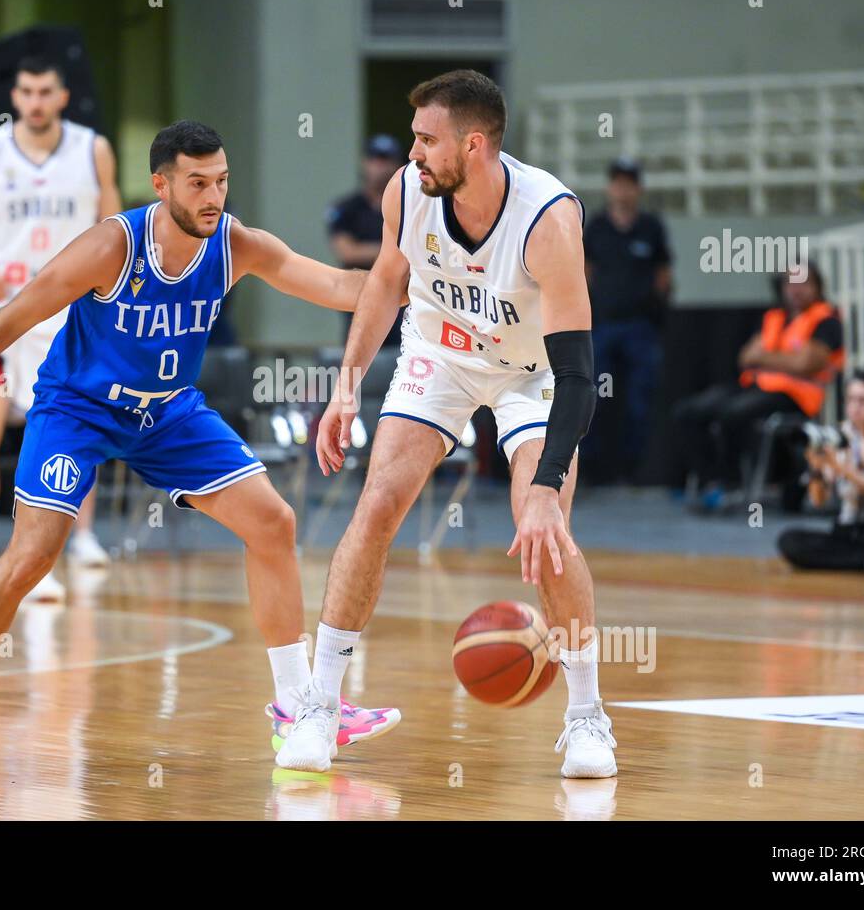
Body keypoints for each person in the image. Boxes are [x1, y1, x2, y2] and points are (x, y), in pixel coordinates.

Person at [0, 120, 400, 769]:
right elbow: (16, 315)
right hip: (79, 408)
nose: (214, 197)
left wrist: (420, 278)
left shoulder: (234, 244)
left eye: (223, 182)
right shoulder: (111, 247)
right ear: (161, 184)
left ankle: (296, 704)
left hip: (168, 412)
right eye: (199, 183)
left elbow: (342, 285)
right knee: (31, 556)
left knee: (272, 520)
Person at [280, 69, 617, 778]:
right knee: (376, 505)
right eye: (412, 138)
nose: (412, 153)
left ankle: (587, 718)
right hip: (441, 353)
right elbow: (383, 283)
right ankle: (320, 705)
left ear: (473, 145)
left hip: (536, 373)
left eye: (426, 140)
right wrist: (346, 387)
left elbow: (580, 377)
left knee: (547, 532)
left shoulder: (548, 218)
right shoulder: (407, 191)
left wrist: (547, 488)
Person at [0, 56, 118, 600]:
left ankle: (68, 544)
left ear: (62, 96)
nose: (35, 101)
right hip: (1, 311)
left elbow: (112, 227)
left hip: (65, 310)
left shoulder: (92, 149)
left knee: (72, 429)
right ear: (15, 97)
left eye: (45, 92)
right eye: (26, 92)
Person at [673, 261, 845, 510]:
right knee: (688, 412)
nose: (796, 290)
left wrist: (766, 357)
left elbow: (806, 364)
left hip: (795, 396)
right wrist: (786, 360)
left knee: (733, 414)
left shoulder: (826, 320)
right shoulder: (773, 317)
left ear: (817, 287)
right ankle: (712, 482)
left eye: (804, 283)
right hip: (754, 386)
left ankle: (732, 483)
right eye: (790, 283)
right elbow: (745, 357)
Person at [581, 158, 672, 481]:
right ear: (610, 187)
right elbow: (585, 270)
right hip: (603, 325)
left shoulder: (651, 227)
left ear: (638, 188)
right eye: (617, 182)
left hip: (640, 327)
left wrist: (654, 305)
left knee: (640, 398)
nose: (623, 190)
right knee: (592, 395)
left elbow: (664, 274)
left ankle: (637, 469)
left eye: (629, 183)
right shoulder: (597, 228)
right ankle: (590, 469)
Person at [778, 368, 864, 574]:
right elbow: (818, 501)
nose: (855, 407)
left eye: (863, 401)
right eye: (851, 400)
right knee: (790, 541)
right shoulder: (840, 434)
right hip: (854, 529)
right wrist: (817, 469)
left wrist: (841, 467)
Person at [325, 134, 407, 347]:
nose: (380, 166)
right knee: (358, 357)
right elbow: (347, 252)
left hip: (400, 297)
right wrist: (394, 251)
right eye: (375, 159)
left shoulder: (407, 206)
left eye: (387, 160)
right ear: (365, 162)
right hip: (357, 295)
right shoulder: (346, 207)